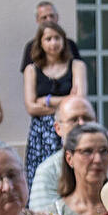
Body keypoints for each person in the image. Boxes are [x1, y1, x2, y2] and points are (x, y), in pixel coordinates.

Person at [28, 94, 108, 214]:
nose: (82, 124)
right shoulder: (47, 171)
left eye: (87, 118)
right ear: (58, 128)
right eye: (74, 120)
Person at [21, 22, 86, 171]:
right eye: (48, 39)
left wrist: (47, 100)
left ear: (64, 40)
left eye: (57, 38)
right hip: (41, 135)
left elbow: (79, 101)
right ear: (40, 43)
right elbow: (31, 107)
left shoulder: (77, 65)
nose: (53, 43)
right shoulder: (31, 69)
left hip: (71, 128)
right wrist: (66, 100)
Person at [16, 0, 82, 72]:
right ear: (37, 20)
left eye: (51, 16)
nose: (49, 20)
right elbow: (27, 74)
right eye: (44, 17)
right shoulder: (31, 47)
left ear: (57, 17)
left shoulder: (70, 44)